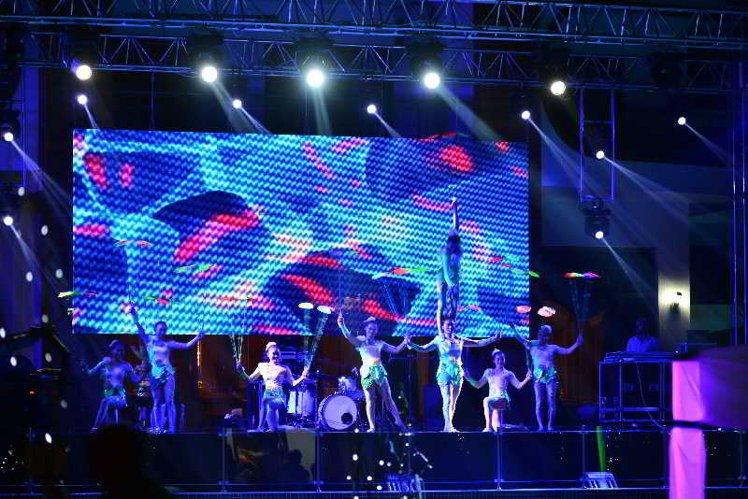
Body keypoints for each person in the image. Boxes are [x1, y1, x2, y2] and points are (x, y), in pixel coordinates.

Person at [408, 317, 498, 431]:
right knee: (447, 399)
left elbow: (478, 343)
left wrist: (493, 339)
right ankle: (449, 426)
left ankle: (447, 427)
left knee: (453, 402)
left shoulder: (460, 339)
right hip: (444, 371)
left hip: (457, 372)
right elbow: (424, 349)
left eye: (452, 325)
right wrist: (411, 344)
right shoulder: (439, 340)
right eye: (448, 325)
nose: (450, 327)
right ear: (442, 327)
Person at [128, 305, 203, 433]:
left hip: (168, 373)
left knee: (169, 401)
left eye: (164, 330)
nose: (163, 332)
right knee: (157, 402)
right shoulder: (149, 340)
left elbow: (186, 345)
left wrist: (197, 337)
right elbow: (139, 328)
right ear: (155, 330)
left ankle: (172, 428)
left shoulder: (169, 343)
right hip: (154, 374)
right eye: (160, 329)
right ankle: (158, 428)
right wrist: (134, 315)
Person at [337, 313, 409, 431]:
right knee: (370, 400)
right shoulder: (361, 341)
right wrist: (342, 325)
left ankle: (399, 422)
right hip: (367, 372)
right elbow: (349, 337)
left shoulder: (380, 343)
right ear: (366, 329)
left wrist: (405, 341)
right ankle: (372, 427)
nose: (372, 331)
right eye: (370, 328)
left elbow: (395, 350)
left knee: (388, 399)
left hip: (379, 371)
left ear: (377, 330)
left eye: (374, 329)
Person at [513, 324, 583, 431]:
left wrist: (577, 344)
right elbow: (521, 339)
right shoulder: (532, 345)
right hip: (538, 377)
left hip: (550, 377)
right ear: (539, 335)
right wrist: (514, 329)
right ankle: (541, 426)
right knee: (539, 402)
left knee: (551, 401)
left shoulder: (552, 348)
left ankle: (550, 426)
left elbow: (567, 351)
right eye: (542, 335)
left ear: (548, 337)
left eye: (546, 335)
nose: (543, 337)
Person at [236, 342, 309, 431]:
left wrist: (302, 377)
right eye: (274, 353)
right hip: (268, 397)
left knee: (265, 401)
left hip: (279, 397)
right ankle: (292, 429)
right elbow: (249, 380)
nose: (276, 356)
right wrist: (241, 371)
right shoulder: (262, 366)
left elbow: (293, 383)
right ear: (268, 355)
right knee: (274, 429)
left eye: (278, 354)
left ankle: (260, 428)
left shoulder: (284, 368)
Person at [464, 349, 532, 431]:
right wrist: (468, 377)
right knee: (497, 427)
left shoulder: (508, 373)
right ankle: (520, 428)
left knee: (486, 400)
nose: (500, 361)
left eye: (502, 359)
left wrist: (527, 378)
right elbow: (478, 385)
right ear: (494, 361)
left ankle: (488, 427)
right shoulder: (488, 372)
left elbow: (518, 386)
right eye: (498, 359)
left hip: (502, 399)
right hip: (492, 401)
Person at [84, 339, 140, 431]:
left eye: (122, 351)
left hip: (120, 396)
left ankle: (95, 428)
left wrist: (143, 372)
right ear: (112, 350)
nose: (120, 353)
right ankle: (103, 430)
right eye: (118, 350)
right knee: (107, 404)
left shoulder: (126, 365)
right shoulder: (106, 362)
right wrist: (85, 368)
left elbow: (135, 380)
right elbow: (91, 373)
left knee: (105, 402)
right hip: (108, 394)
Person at [436, 197, 462, 334]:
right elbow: (446, 271)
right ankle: (441, 331)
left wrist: (455, 208)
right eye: (452, 242)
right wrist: (451, 285)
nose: (455, 244)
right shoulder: (445, 251)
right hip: (443, 276)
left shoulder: (457, 245)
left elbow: (456, 225)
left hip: (455, 275)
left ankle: (452, 329)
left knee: (455, 303)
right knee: (442, 303)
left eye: (456, 242)